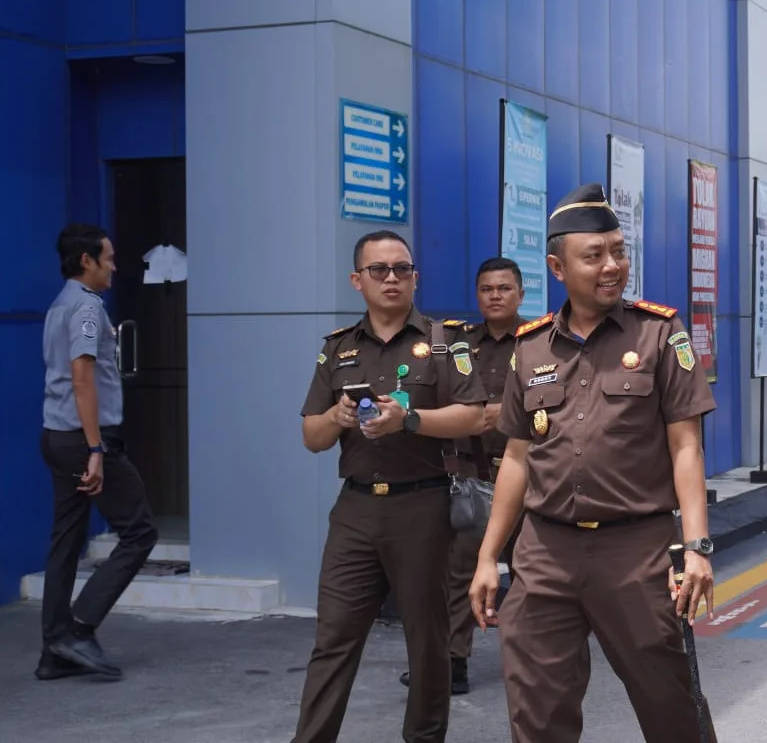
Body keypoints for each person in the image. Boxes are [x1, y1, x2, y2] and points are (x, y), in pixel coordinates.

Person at [468, 183, 719, 743]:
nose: (612, 266)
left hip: (637, 553)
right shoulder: (529, 347)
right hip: (544, 554)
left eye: (619, 251)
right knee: (537, 714)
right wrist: (489, 558)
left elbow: (686, 447)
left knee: (669, 707)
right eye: (595, 256)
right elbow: (516, 457)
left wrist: (697, 548)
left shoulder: (658, 334)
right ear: (558, 266)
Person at [292, 229, 486, 743]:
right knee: (333, 638)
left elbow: (474, 415)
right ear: (358, 280)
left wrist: (410, 420)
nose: (392, 278)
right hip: (354, 511)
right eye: (379, 270)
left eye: (402, 269)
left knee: (428, 643)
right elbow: (311, 436)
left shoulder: (447, 342)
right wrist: (337, 416)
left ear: (415, 277)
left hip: (421, 506)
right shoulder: (337, 350)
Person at [398, 256, 527, 694]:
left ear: (520, 294)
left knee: (532, 572)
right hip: (471, 476)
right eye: (487, 289)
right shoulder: (459, 343)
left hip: (528, 474)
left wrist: (504, 415)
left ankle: (534, 662)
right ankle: (452, 663)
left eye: (504, 288)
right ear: (478, 295)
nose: (495, 296)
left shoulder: (539, 342)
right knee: (456, 574)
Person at [37, 223, 159, 681]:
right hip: (84, 439)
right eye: (107, 258)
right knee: (140, 531)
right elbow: (82, 378)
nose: (114, 266)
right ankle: (79, 628)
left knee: (65, 543)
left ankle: (53, 651)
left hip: (56, 435)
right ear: (86, 261)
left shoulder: (59, 305)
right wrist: (95, 448)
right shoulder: (86, 308)